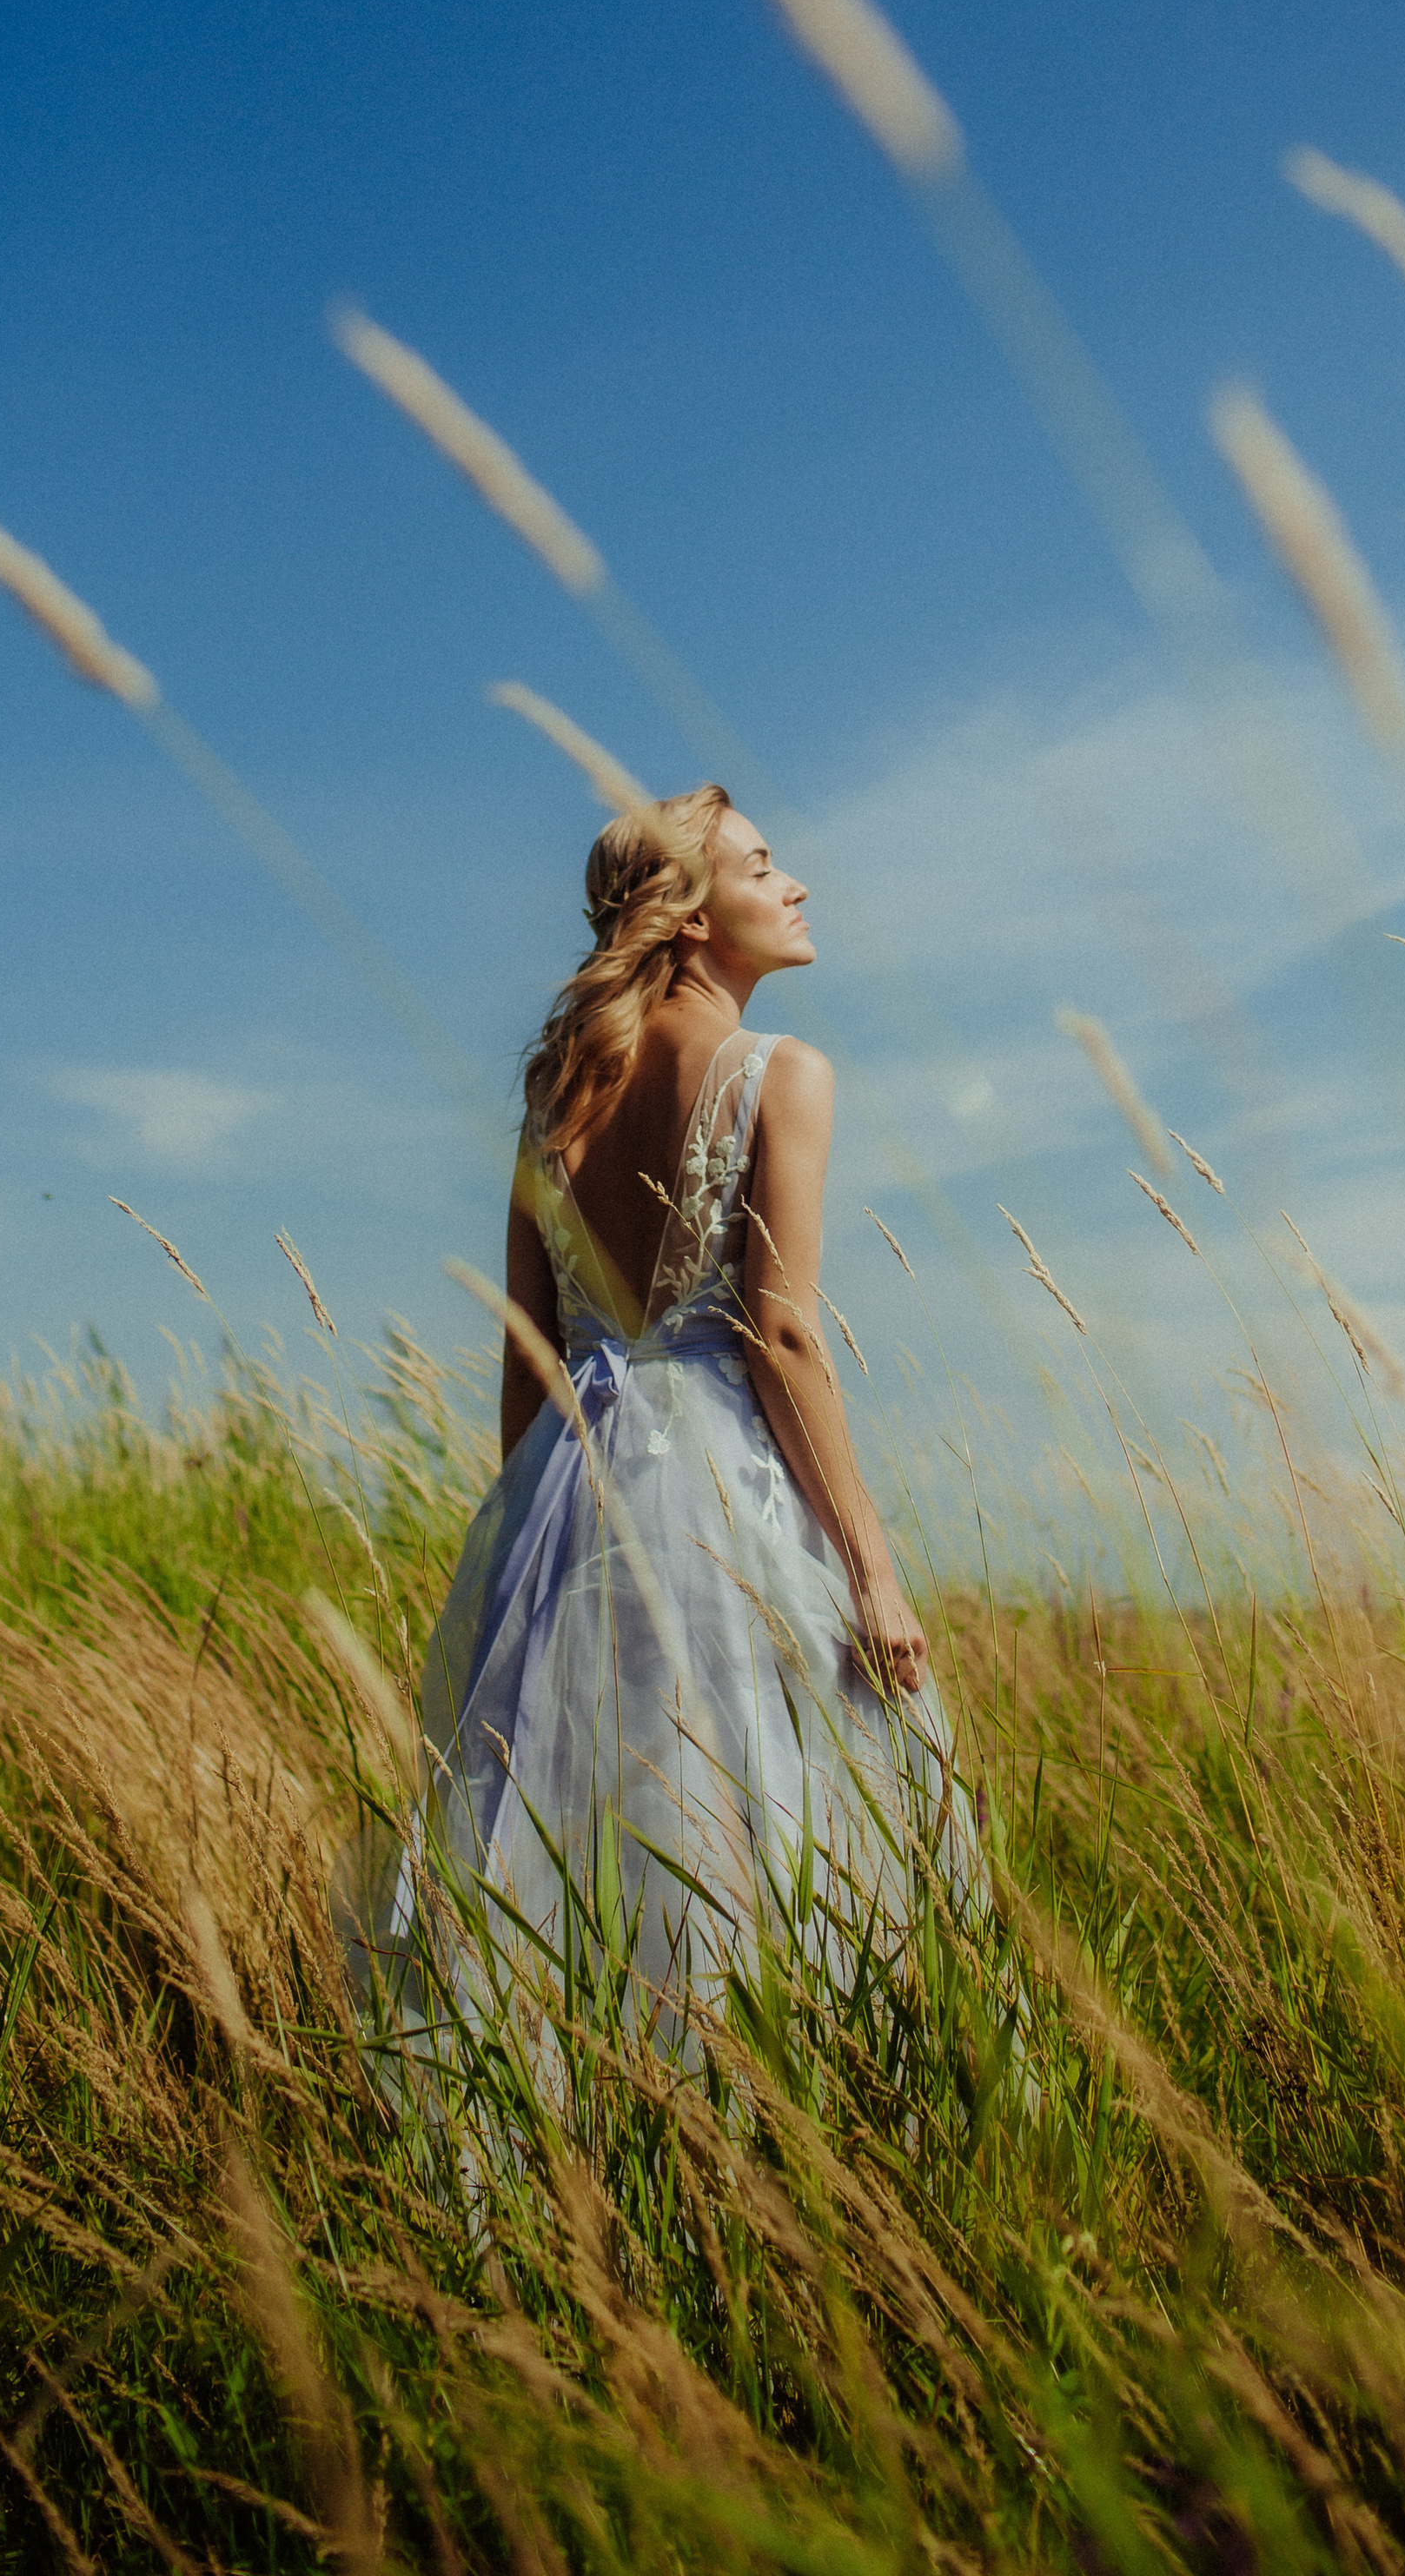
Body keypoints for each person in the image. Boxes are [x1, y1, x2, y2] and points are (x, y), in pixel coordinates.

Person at [384, 783, 968, 2045]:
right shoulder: (781, 1074)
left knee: (598, 1824)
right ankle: (772, 2106)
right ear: (696, 919)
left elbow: (525, 1357)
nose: (796, 883)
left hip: (571, 1490)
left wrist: (525, 1565)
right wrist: (872, 1570)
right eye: (765, 867)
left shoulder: (554, 1100)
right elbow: (786, 1331)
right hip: (727, 1500)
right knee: (769, 1809)